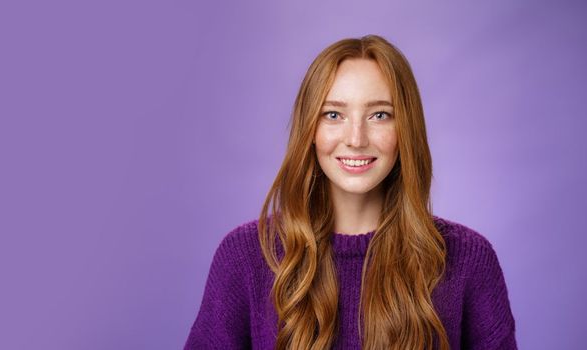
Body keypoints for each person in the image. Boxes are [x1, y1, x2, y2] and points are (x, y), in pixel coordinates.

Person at [184, 35, 517, 350]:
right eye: (333, 114)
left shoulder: (467, 259)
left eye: (379, 115)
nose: (356, 138)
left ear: (406, 130)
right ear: (309, 130)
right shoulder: (245, 258)